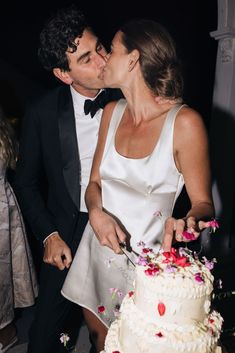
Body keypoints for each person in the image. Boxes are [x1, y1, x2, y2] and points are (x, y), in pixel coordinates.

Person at [62, 19, 215, 352]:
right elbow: (94, 184)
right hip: (96, 252)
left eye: (110, 50)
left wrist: (186, 222)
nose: (103, 60)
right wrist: (96, 212)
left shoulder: (185, 123)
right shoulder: (111, 112)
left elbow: (204, 204)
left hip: (146, 268)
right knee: (100, 340)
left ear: (132, 60)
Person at [14, 5, 121, 353]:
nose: (103, 61)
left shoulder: (129, 100)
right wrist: (49, 235)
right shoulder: (41, 113)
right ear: (64, 74)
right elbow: (26, 183)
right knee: (45, 338)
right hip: (69, 230)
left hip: (122, 227)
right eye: (87, 59)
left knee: (113, 333)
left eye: (100, 48)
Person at [0, 106, 38, 353]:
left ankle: (7, 333)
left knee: (2, 278)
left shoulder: (3, 133)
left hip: (2, 213)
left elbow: (19, 165)